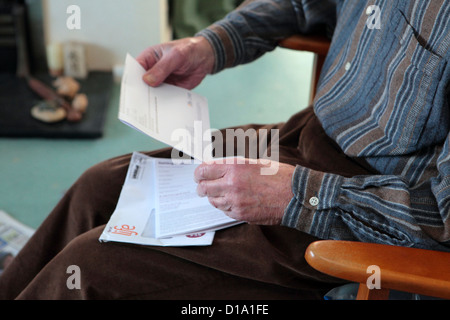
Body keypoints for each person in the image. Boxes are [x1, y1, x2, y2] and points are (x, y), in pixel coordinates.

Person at [0, 0, 449, 299]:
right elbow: (300, 2)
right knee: (98, 186)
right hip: (305, 134)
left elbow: (442, 222)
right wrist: (210, 45)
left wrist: (297, 194)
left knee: (90, 266)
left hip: (359, 211)